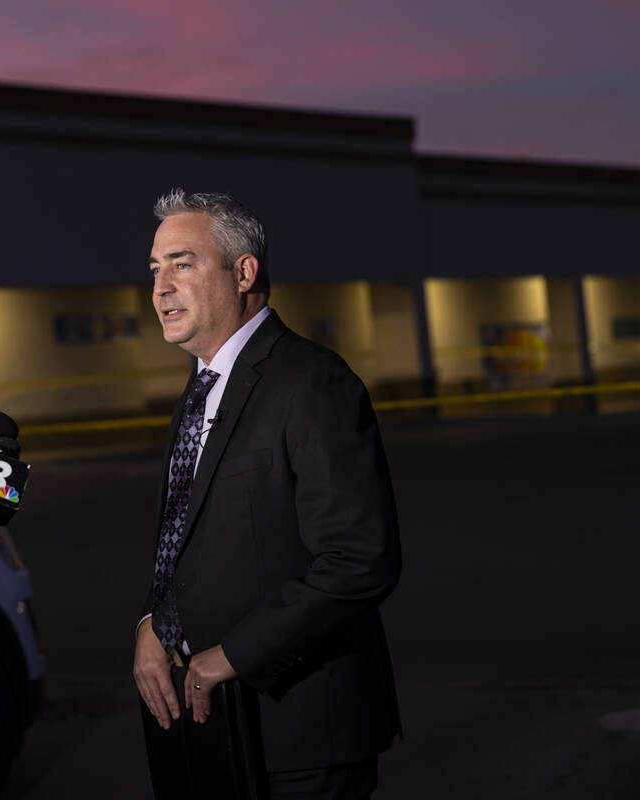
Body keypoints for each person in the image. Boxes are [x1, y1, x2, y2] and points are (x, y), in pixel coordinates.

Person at [133, 188, 402, 799]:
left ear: (244, 271)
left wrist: (234, 654)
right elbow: (187, 532)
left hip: (300, 736)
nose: (160, 288)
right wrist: (154, 620)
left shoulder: (312, 383)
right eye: (154, 269)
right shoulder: (199, 390)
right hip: (211, 734)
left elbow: (361, 559)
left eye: (181, 263)